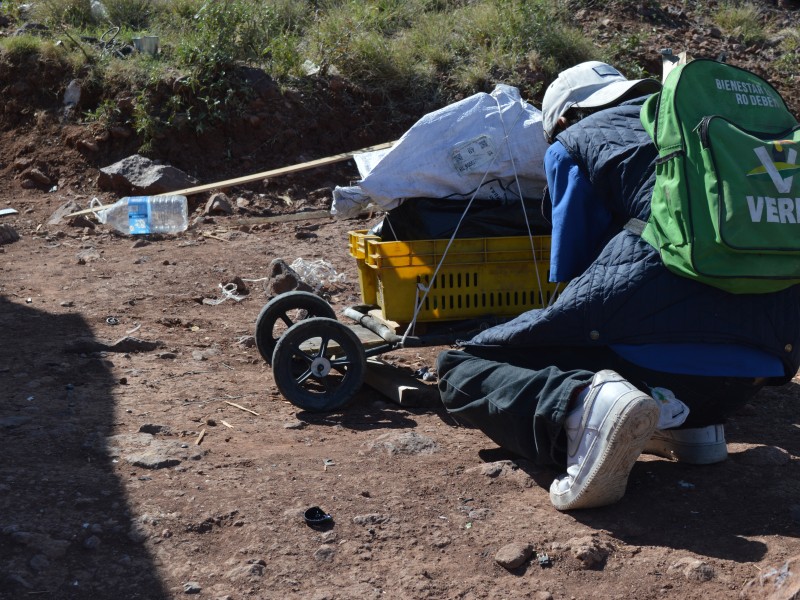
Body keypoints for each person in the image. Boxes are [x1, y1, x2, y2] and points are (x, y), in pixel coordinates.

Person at [436, 61, 800, 511]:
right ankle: (695, 432)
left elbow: (578, 268)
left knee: (462, 364)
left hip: (653, 365)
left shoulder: (575, 140)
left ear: (565, 118)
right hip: (754, 372)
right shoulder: (705, 132)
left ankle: (580, 412)